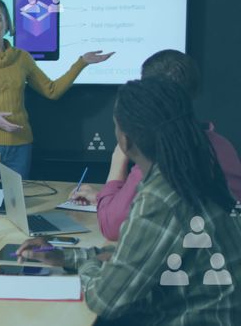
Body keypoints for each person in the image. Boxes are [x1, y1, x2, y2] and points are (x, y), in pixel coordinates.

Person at [17, 78, 241, 325]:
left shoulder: (161, 196)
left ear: (125, 141)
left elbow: (105, 299)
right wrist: (65, 257)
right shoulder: (191, 172)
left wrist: (87, 269)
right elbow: (134, 258)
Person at [69, 50, 241, 241]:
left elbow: (113, 226)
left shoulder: (160, 155)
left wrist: (118, 160)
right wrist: (104, 197)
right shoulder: (223, 146)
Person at [0, 0, 113, 179]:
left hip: (20, 146)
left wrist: (81, 63)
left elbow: (51, 91)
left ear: (7, 23)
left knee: (17, 206)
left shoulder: (22, 58)